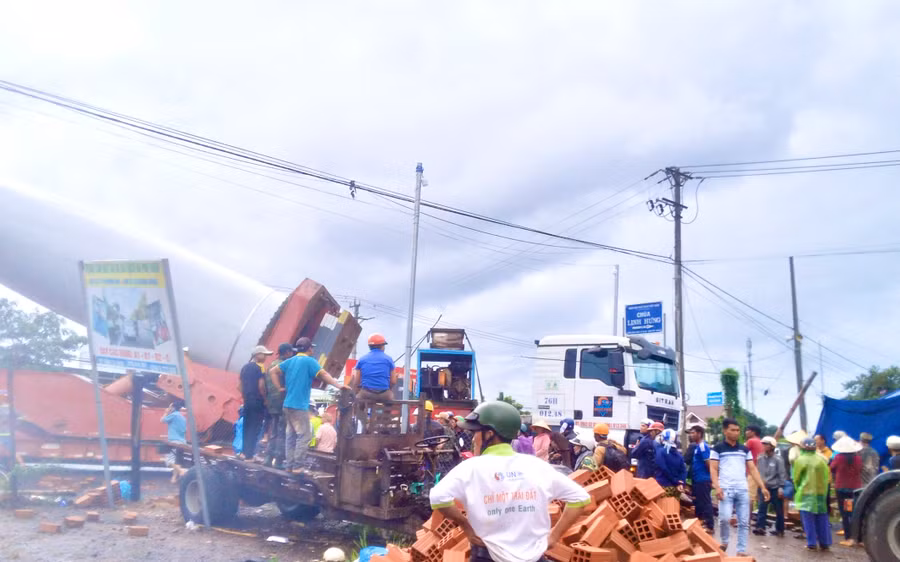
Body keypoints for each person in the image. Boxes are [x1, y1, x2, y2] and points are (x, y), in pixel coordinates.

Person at [429, 401, 590, 562]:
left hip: (487, 555)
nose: (473, 439)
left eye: (476, 433)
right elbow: (580, 498)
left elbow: (437, 498)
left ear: (490, 434)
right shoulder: (536, 466)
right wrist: (554, 537)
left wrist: (465, 526)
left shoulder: (470, 468)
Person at [268, 337, 348, 473]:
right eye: (312, 347)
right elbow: (323, 375)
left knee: (291, 435)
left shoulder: (290, 361)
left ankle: (289, 465)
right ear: (309, 348)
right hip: (299, 405)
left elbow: (272, 371)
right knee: (304, 435)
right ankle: (298, 466)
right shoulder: (310, 362)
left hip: (287, 405)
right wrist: (340, 386)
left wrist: (280, 388)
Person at [710, 418, 770, 558]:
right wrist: (717, 486)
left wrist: (763, 487)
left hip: (742, 489)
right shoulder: (718, 449)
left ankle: (741, 550)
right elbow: (713, 469)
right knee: (724, 518)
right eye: (732, 430)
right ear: (725, 431)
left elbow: (753, 469)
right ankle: (724, 541)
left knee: (743, 521)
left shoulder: (744, 449)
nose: (736, 433)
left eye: (738, 430)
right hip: (725, 489)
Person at [794, 437, 832, 551]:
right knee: (822, 518)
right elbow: (826, 477)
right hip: (821, 493)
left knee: (808, 519)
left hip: (805, 493)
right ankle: (825, 543)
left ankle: (811, 543)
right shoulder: (822, 460)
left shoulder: (800, 460)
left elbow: (796, 479)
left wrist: (798, 489)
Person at [238, 345, 273, 461]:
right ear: (257, 355)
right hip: (257, 402)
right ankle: (250, 455)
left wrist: (245, 397)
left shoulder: (244, 367)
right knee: (255, 428)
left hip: (247, 401)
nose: (266, 357)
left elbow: (239, 386)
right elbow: (261, 385)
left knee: (247, 427)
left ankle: (243, 452)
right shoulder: (260, 367)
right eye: (264, 355)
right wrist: (265, 399)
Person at [263, 343, 294, 468]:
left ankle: (268, 458)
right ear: (286, 352)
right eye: (290, 352)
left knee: (274, 431)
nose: (292, 354)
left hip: (272, 403)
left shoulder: (271, 364)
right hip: (282, 403)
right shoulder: (284, 366)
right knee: (282, 433)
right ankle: (279, 461)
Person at [830, 435, 862, 546]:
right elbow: (860, 469)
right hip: (855, 488)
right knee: (854, 512)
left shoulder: (838, 457)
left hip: (842, 489)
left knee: (845, 514)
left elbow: (832, 468)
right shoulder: (858, 458)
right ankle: (859, 538)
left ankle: (849, 538)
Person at [753, 436, 786, 537]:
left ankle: (780, 529)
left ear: (772, 446)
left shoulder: (778, 459)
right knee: (762, 508)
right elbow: (758, 472)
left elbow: (782, 474)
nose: (764, 446)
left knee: (778, 510)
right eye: (763, 444)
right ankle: (760, 527)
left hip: (775, 487)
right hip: (763, 487)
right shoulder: (760, 458)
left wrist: (781, 487)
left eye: (766, 444)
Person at [349, 333, 396, 402]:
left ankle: (361, 412)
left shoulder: (362, 359)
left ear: (370, 346)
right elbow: (393, 381)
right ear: (382, 346)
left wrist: (357, 391)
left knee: (358, 403)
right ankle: (386, 412)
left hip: (366, 394)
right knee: (390, 399)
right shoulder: (389, 359)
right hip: (384, 394)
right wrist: (388, 388)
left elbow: (357, 381)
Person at [686, 424, 714, 532]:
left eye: (693, 433)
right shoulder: (697, 446)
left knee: (706, 502)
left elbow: (708, 463)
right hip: (697, 479)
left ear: (699, 434)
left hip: (703, 479)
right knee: (699, 502)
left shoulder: (703, 446)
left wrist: (711, 478)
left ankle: (710, 525)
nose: (691, 435)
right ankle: (701, 522)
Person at [654, 429, 687, 496]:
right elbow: (684, 471)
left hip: (662, 486)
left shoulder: (660, 452)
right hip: (676, 488)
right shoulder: (679, 455)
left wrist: (674, 480)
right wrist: (680, 482)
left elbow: (663, 468)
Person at [161, 400, 187, 482]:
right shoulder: (183, 417)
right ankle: (174, 478)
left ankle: (182, 471)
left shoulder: (173, 415)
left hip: (174, 441)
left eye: (170, 407)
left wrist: (166, 412)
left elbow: (162, 420)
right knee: (177, 461)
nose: (169, 408)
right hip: (182, 442)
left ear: (173, 408)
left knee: (168, 461)